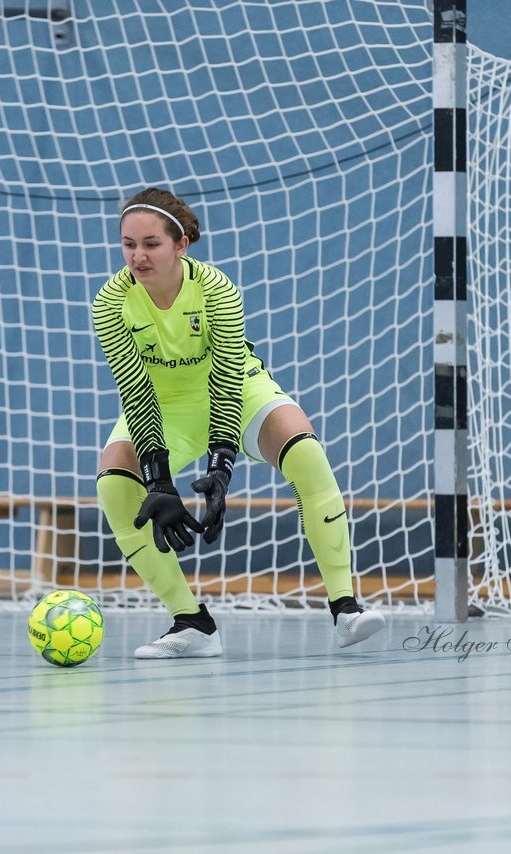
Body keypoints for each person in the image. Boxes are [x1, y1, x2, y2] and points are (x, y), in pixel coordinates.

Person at [92, 187, 386, 659]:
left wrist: (222, 468)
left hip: (238, 390)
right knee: (113, 482)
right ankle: (191, 624)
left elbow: (229, 377)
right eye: (128, 244)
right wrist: (159, 479)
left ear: (180, 244)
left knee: (304, 448)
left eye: (151, 244)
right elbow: (135, 390)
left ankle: (345, 608)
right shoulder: (110, 302)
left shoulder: (216, 289)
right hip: (166, 406)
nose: (137, 256)